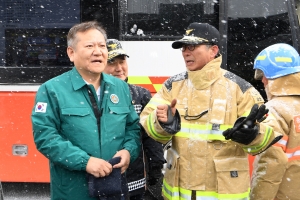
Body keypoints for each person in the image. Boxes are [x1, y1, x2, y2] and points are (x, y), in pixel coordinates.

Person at [139, 22, 282, 200]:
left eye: (192, 46)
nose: (185, 52)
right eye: (183, 47)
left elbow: (270, 136)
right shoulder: (172, 86)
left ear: (213, 50)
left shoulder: (240, 89)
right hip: (178, 194)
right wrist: (163, 123)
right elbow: (148, 123)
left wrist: (252, 135)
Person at [31, 21, 141, 200]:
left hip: (114, 189)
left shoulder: (120, 88)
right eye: (89, 46)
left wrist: (129, 151)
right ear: (71, 53)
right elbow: (46, 137)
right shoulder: (52, 90)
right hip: (73, 191)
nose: (98, 51)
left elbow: (132, 128)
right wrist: (85, 162)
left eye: (102, 46)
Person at [104, 39, 165, 200]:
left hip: (135, 184)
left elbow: (150, 139)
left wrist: (155, 172)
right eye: (111, 62)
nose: (119, 68)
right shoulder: (92, 96)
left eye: (122, 61)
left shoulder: (141, 95)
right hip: (103, 181)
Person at [250, 43, 300, 200]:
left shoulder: (274, 110)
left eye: (264, 75)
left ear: (275, 76)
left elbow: (271, 164)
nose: (263, 81)